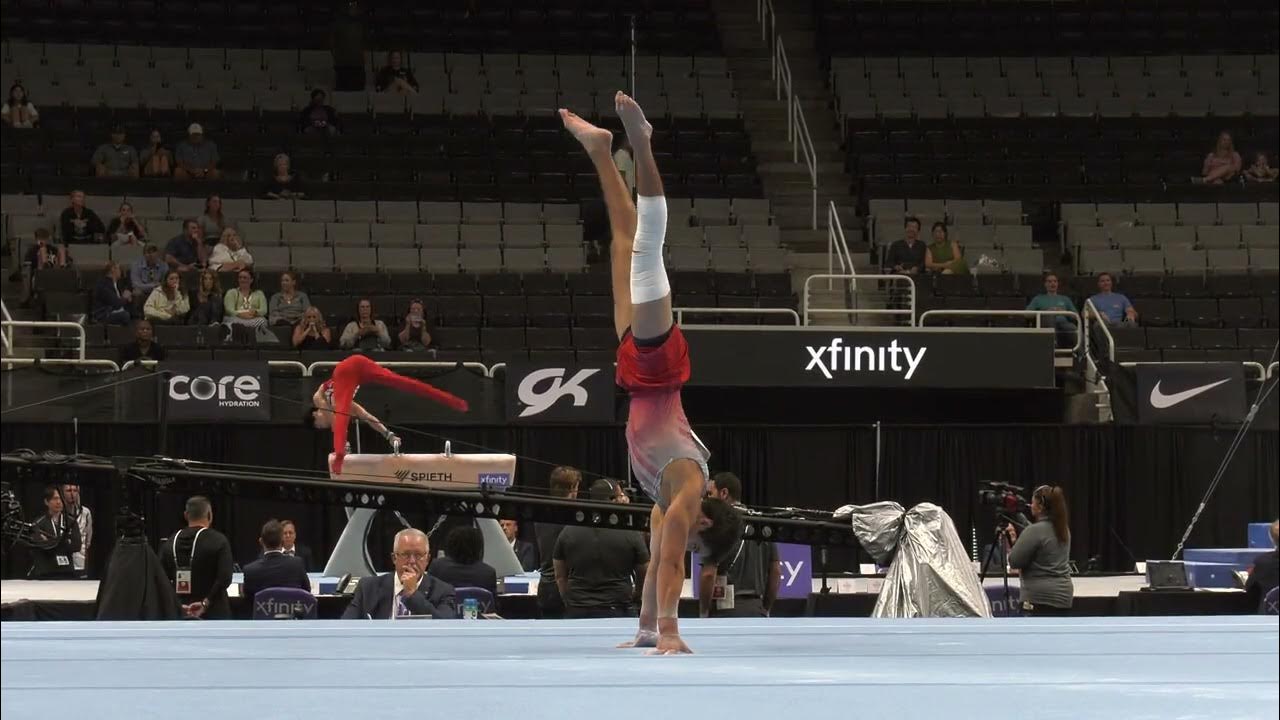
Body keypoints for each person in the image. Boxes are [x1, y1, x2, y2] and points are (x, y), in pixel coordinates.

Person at [561, 94, 742, 654]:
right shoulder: (687, 484)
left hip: (633, 369)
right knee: (646, 247)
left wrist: (645, 629)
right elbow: (668, 565)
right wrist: (671, 631)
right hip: (659, 367)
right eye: (697, 546)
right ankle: (639, 141)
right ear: (705, 525)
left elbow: (656, 568)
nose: (685, 547)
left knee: (623, 243)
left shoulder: (668, 506)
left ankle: (600, 151)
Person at [305, 354, 469, 475]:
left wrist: (343, 446)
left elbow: (335, 421)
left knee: (341, 415)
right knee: (400, 382)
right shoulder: (344, 404)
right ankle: (455, 402)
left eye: (319, 425)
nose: (323, 426)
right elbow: (368, 417)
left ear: (315, 414)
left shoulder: (319, 398)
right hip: (360, 369)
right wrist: (388, 435)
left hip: (346, 369)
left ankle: (339, 454)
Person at [554, 478, 649, 619]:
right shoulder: (631, 533)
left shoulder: (568, 531)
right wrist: (637, 594)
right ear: (614, 500)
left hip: (577, 608)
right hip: (618, 608)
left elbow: (560, 575)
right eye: (620, 496)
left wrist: (569, 600)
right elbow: (645, 571)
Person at [699, 472, 780, 618]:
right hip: (757, 611)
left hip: (723, 614)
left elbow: (708, 575)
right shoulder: (762, 524)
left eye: (710, 494)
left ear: (724, 493)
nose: (706, 500)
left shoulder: (715, 526)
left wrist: (704, 611)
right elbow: (776, 572)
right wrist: (766, 608)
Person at [341, 528, 458, 619]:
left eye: (418, 555)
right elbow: (345, 626)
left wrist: (413, 594)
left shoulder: (443, 591)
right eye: (406, 555)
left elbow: (444, 626)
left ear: (427, 559)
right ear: (394, 558)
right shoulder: (368, 588)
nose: (412, 561)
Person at [159, 496, 234, 619]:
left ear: (185, 515)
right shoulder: (219, 541)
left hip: (180, 614)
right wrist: (206, 602)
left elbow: (161, 580)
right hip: (214, 615)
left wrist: (177, 604)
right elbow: (225, 578)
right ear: (210, 515)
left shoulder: (169, 543)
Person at [1005, 485, 1074, 617]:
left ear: (1040, 506)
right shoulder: (1063, 529)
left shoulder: (1034, 531)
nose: (1030, 505)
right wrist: (1018, 515)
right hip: (1063, 597)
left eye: (1033, 503)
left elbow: (1014, 561)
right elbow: (1039, 533)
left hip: (1038, 598)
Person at [536, 466, 581, 618]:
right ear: (573, 488)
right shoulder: (576, 517)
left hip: (546, 586)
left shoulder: (540, 514)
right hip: (567, 586)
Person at [241, 519, 312, 605]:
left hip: (262, 616)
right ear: (282, 541)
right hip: (291, 615)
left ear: (261, 541)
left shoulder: (249, 571)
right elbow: (307, 593)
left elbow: (248, 601)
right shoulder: (297, 564)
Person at [427, 526, 498, 597]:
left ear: (451, 544)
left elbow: (427, 596)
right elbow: (493, 604)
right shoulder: (489, 573)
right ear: (478, 546)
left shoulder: (437, 566)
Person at [28, 486, 81, 579]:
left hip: (67, 571)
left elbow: (76, 545)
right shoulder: (38, 523)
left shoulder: (71, 521)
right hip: (46, 572)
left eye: (61, 499)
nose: (58, 502)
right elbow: (40, 546)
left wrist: (51, 541)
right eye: (55, 499)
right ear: (46, 502)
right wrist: (65, 541)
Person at [1026, 271, 1079, 348]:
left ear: (1057, 284)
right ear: (1045, 284)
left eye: (1055, 281)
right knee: (1050, 316)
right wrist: (1046, 312)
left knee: (1073, 328)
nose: (1052, 284)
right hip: (1045, 323)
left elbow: (1076, 316)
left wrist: (1063, 312)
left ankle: (1082, 354)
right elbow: (1027, 314)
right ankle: (1052, 345)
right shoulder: (1038, 298)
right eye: (1049, 281)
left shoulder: (1065, 299)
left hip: (1063, 324)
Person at [1244, 520, 1278, 614]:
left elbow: (1249, 588)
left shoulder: (1261, 561)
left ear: (1272, 539)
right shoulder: (1261, 562)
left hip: (1268, 615)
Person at [223, 269, 269, 335]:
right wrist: (240, 314)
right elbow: (229, 309)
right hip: (236, 318)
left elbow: (264, 310)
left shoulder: (259, 293)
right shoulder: (231, 292)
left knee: (262, 321)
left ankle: (249, 335)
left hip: (253, 318)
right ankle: (249, 333)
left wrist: (255, 312)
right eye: (240, 277)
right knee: (230, 321)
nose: (242, 280)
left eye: (245, 278)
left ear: (251, 280)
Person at [60, 483, 93, 577]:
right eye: (69, 491)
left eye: (75, 491)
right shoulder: (59, 512)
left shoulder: (85, 512)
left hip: (81, 558)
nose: (72, 494)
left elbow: (88, 534)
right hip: (65, 559)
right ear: (62, 493)